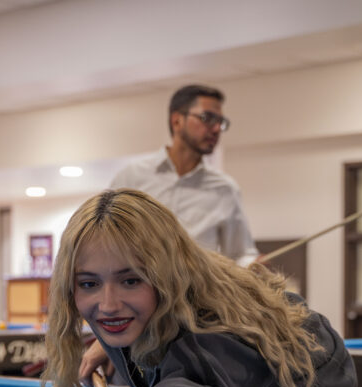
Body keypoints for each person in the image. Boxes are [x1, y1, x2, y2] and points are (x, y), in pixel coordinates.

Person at [29, 190, 356, 387]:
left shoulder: (210, 332)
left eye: (131, 280)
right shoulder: (136, 313)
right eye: (89, 284)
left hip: (317, 380)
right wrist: (107, 341)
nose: (109, 305)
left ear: (166, 275)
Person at [110, 84, 258, 266]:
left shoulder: (225, 189)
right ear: (177, 121)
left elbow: (240, 254)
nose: (216, 128)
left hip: (197, 292)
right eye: (208, 118)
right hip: (137, 287)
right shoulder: (131, 177)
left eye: (221, 122)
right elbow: (105, 235)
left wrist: (253, 264)